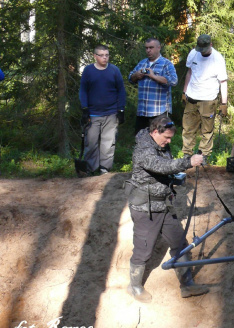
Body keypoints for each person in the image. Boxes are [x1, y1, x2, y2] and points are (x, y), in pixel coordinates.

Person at [125, 116, 210, 302]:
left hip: (164, 205)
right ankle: (134, 287)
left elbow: (165, 169)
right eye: (167, 138)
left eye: (171, 138)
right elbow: (160, 166)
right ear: (155, 132)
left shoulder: (160, 145)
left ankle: (187, 285)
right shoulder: (143, 149)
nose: (169, 142)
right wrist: (188, 162)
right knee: (143, 250)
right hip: (145, 209)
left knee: (180, 244)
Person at [79, 44, 126, 175]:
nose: (105, 58)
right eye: (101, 55)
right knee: (91, 143)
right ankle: (90, 169)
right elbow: (83, 90)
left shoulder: (114, 70)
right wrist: (84, 108)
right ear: (95, 56)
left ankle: (104, 169)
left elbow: (121, 90)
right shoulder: (88, 70)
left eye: (107, 55)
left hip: (111, 113)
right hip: (93, 114)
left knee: (108, 143)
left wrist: (121, 110)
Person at [181, 34, 228, 161]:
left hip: (208, 99)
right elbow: (189, 72)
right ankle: (187, 155)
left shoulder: (217, 58)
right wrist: (184, 92)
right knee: (188, 128)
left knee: (207, 131)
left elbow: (223, 82)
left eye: (204, 49)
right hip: (192, 97)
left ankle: (203, 156)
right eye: (200, 48)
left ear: (210, 45)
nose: (201, 51)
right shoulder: (193, 53)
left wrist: (224, 104)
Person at [129, 38, 178, 135]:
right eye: (146, 48)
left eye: (151, 47)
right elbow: (130, 78)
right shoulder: (142, 63)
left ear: (159, 48)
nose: (148, 50)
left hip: (159, 112)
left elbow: (174, 81)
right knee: (140, 140)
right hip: (142, 111)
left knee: (160, 140)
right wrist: (136, 75)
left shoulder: (166, 64)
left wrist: (153, 76)